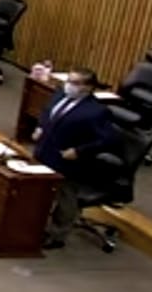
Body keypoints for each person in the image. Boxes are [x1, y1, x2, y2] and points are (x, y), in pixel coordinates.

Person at [33, 68, 119, 248]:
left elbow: (108, 141)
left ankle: (57, 236)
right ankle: (33, 224)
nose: (68, 86)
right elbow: (47, 111)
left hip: (69, 163)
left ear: (87, 87)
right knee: (37, 191)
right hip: (45, 152)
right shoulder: (60, 94)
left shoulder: (97, 111)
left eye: (74, 83)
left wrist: (79, 151)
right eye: (68, 81)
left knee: (65, 200)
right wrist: (40, 126)